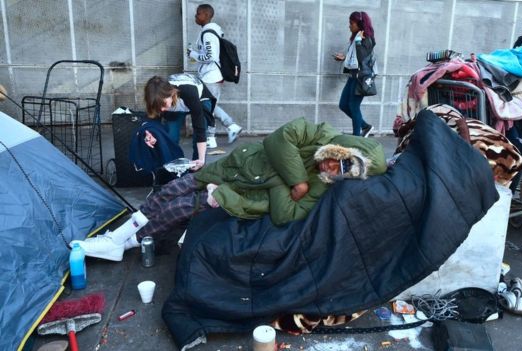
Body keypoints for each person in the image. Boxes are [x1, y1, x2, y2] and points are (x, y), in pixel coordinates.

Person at [72, 117, 387, 261]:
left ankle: (126, 245)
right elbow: (280, 139)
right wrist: (296, 181)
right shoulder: (321, 133)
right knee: (170, 191)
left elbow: (284, 214)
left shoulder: (321, 187)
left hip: (241, 196)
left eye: (343, 173)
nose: (333, 169)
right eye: (340, 161)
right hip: (235, 166)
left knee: (178, 208)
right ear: (340, 148)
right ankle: (116, 237)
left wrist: (284, 179)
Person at [187, 3, 243, 148]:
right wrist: (196, 55)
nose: (195, 16)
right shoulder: (208, 32)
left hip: (211, 77)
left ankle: (214, 136)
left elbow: (210, 57)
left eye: (198, 14)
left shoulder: (208, 33)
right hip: (209, 76)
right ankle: (228, 127)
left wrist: (193, 54)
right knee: (208, 106)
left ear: (206, 15)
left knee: (207, 107)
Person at [144, 74, 217, 171]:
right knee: (171, 135)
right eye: (158, 106)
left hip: (200, 99)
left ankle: (196, 169)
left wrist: (201, 159)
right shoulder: (157, 97)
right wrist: (148, 134)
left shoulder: (188, 92)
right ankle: (173, 168)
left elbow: (199, 128)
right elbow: (151, 122)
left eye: (163, 104)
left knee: (200, 131)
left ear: (170, 94)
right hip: (176, 103)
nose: (161, 109)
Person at [333, 11, 376, 137]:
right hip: (353, 76)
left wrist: (358, 42)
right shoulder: (356, 38)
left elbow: (362, 56)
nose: (349, 26)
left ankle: (356, 137)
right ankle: (365, 126)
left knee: (353, 106)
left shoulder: (367, 39)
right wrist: (344, 58)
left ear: (360, 24)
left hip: (361, 79)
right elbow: (355, 59)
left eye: (351, 23)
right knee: (343, 105)